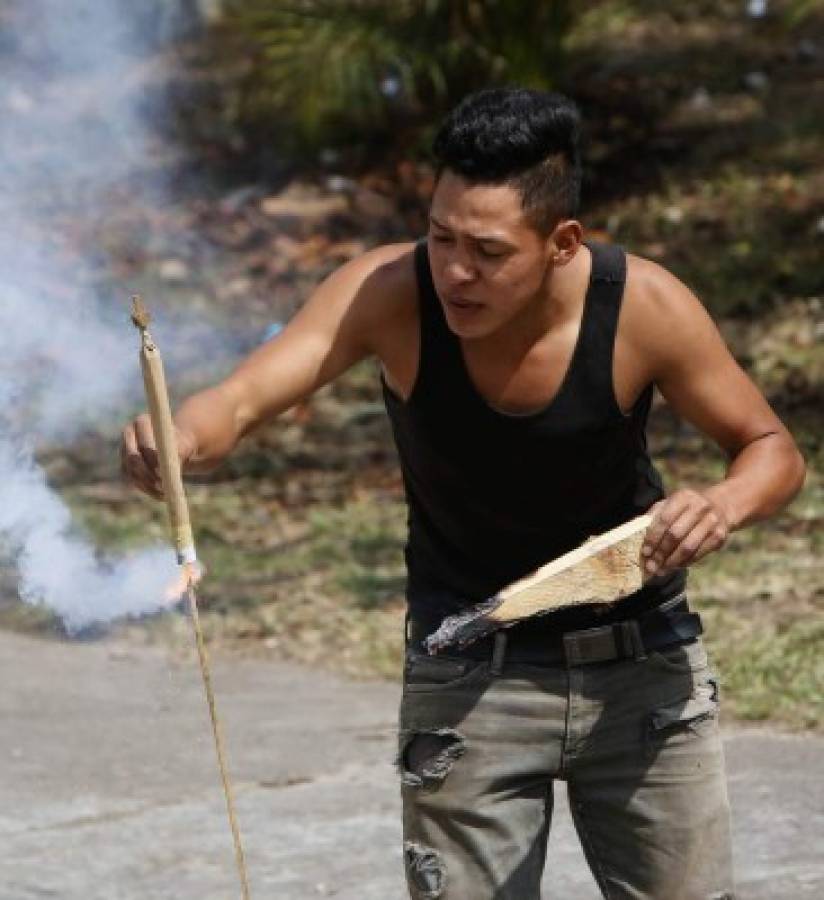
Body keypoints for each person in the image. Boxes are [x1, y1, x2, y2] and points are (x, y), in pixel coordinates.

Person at [122, 88, 806, 899]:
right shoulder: (390, 294)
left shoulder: (641, 307)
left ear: (562, 242)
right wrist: (183, 438)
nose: (454, 270)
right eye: (440, 237)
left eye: (486, 251)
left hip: (644, 674)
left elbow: (771, 449)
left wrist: (720, 506)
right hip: (469, 676)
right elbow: (240, 399)